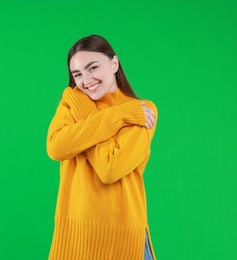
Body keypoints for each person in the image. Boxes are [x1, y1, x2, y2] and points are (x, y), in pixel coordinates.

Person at [46, 34, 158, 260]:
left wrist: (84, 126)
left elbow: (110, 168)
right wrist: (119, 115)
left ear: (114, 63)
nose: (86, 80)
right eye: (77, 74)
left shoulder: (144, 111)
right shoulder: (74, 102)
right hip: (77, 237)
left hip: (125, 238)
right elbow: (56, 147)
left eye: (93, 67)